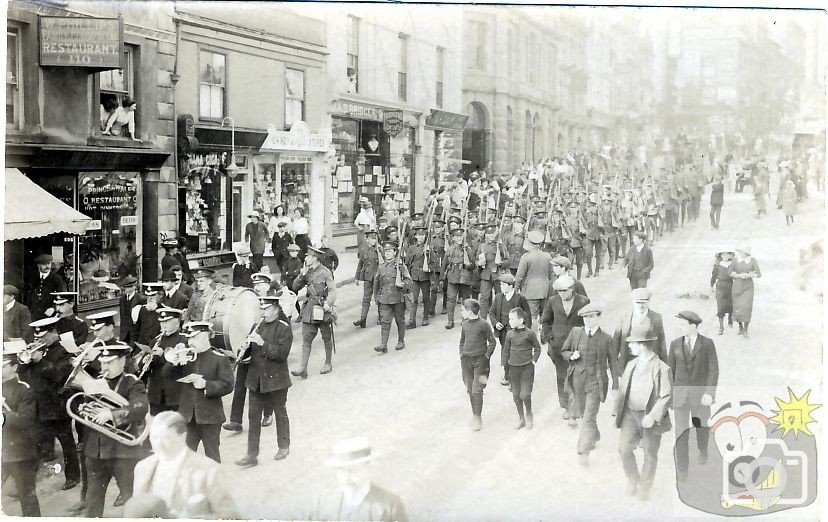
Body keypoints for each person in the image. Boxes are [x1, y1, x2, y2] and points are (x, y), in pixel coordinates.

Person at [80, 341, 149, 517]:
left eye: (109, 362)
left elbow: (140, 407)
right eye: (102, 362)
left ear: (122, 361)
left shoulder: (132, 382)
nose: (104, 367)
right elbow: (89, 409)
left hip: (123, 451)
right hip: (96, 451)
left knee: (130, 498)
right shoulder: (96, 383)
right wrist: (85, 410)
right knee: (93, 501)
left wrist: (112, 414)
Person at [128, 411, 238, 518]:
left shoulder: (209, 470)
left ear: (182, 436)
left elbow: (229, 515)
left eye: (166, 438)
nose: (159, 444)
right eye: (154, 437)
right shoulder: (142, 468)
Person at [18, 316, 81, 489]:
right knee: (33, 445)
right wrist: (24, 360)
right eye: (37, 337)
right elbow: (22, 374)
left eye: (43, 337)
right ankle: (26, 482)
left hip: (57, 406)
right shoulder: (36, 352)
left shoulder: (63, 352)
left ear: (54, 333)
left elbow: (60, 376)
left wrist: (40, 360)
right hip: (38, 406)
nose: (39, 340)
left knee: (67, 444)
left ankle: (73, 476)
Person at [614, 327, 672, 501]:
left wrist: (653, 416)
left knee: (649, 452)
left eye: (632, 343)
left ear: (643, 345)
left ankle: (645, 486)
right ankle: (633, 480)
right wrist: (617, 411)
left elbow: (666, 395)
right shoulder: (632, 364)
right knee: (624, 449)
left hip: (649, 418)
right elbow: (624, 390)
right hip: (630, 415)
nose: (630, 346)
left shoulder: (662, 368)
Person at [236, 294, 292, 467]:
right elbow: (250, 352)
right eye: (262, 309)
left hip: (276, 380)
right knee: (253, 418)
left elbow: (282, 354)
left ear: (275, 309)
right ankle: (251, 455)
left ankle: (283, 445)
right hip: (256, 380)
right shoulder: (256, 326)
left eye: (266, 309)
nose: (263, 313)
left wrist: (262, 343)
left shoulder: (283, 327)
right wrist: (243, 349)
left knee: (280, 413)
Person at [561, 303, 618, 466]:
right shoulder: (575, 332)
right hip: (577, 381)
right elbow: (564, 351)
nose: (588, 320)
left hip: (596, 382)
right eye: (585, 317)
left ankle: (583, 451)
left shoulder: (606, 338)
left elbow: (613, 363)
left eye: (591, 317)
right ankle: (595, 435)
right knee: (584, 415)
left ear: (598, 318)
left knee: (588, 416)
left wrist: (615, 385)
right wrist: (572, 355)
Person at [668, 311, 719, 482]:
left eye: (682, 324)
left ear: (693, 325)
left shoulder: (707, 344)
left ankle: (703, 449)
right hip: (680, 398)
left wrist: (709, 393)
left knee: (701, 428)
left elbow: (713, 370)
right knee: (680, 433)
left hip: (701, 398)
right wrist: (670, 396)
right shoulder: (674, 344)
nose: (679, 327)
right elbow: (671, 373)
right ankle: (682, 469)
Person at [308, 437, 408, 521]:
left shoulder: (390, 504)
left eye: (352, 470)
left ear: (368, 467)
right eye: (341, 470)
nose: (346, 477)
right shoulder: (324, 503)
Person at [175, 321, 234, 463]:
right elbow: (167, 375)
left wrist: (206, 385)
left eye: (193, 338)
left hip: (210, 417)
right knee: (186, 458)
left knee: (212, 456)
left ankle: (215, 485)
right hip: (188, 416)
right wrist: (174, 362)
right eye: (189, 338)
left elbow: (228, 385)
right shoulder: (186, 357)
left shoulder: (219, 358)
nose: (190, 342)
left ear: (204, 336)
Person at [225, 273, 275, 433]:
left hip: (264, 349)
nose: (257, 288)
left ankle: (268, 413)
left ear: (268, 286)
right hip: (248, 347)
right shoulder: (249, 302)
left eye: (261, 285)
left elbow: (279, 328)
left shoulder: (274, 304)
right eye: (256, 285)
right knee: (240, 384)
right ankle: (235, 420)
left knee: (263, 384)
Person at [540, 275, 590, 415]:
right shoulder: (552, 301)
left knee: (579, 376)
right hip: (559, 347)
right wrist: (550, 338)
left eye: (564, 291)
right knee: (562, 377)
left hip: (578, 347)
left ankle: (579, 406)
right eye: (559, 291)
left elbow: (588, 323)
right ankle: (567, 407)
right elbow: (545, 321)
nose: (561, 294)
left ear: (572, 289)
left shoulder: (583, 301)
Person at [2, 345, 42, 516]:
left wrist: (4, 418)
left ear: (14, 367)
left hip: (19, 452)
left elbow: (26, 419)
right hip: (4, 451)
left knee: (27, 497)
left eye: (3, 365)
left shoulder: (24, 389)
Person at [291, 246, 337, 378]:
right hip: (309, 310)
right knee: (306, 340)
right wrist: (302, 275)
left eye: (308, 256)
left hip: (322, 309)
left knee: (326, 337)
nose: (305, 258)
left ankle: (328, 363)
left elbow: (333, 290)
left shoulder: (325, 272)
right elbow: (295, 287)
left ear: (314, 258)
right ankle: (302, 368)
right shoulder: (307, 271)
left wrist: (328, 304)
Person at [458, 299, 496, 431]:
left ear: (469, 311)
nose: (461, 312)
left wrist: (486, 357)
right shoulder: (464, 325)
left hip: (480, 361)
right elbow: (462, 340)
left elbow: (492, 342)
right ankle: (475, 413)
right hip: (466, 360)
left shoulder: (484, 324)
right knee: (469, 388)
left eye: (463, 310)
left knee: (477, 389)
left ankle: (477, 417)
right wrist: (462, 353)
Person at [488, 273, 531, 386]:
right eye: (500, 284)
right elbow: (491, 312)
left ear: (511, 286)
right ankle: (507, 375)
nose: (501, 286)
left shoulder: (520, 298)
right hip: (503, 332)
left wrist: (526, 330)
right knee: (505, 351)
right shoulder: (498, 297)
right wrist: (495, 323)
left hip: (516, 332)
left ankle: (516, 377)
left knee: (516, 352)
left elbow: (527, 314)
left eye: (503, 284)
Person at [502, 307, 541, 430]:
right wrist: (505, 368)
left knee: (525, 394)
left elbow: (538, 348)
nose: (510, 321)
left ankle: (529, 414)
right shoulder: (509, 334)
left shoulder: (529, 333)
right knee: (516, 395)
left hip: (526, 368)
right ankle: (521, 418)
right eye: (509, 319)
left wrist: (534, 360)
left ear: (521, 320)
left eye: (512, 319)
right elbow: (506, 351)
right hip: (513, 369)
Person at [139, 308, 184, 415]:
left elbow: (182, 367)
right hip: (156, 395)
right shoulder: (155, 341)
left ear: (177, 321)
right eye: (161, 322)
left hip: (175, 395)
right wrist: (145, 362)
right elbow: (142, 366)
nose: (163, 325)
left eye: (167, 321)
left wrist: (163, 355)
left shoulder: (183, 341)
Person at [372, 241, 412, 353]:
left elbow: (409, 281)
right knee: (385, 321)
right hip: (384, 298)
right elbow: (376, 283)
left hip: (398, 298)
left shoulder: (400, 266)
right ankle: (383, 344)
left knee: (400, 320)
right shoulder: (381, 267)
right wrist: (376, 298)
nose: (388, 253)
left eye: (390, 251)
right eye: (386, 251)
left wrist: (403, 284)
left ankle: (401, 341)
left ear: (395, 252)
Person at [515, 230, 554, 329]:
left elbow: (520, 275)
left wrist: (516, 288)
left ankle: (533, 337)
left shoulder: (526, 257)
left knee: (532, 316)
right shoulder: (547, 256)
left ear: (529, 242)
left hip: (530, 291)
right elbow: (551, 274)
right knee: (545, 315)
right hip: (545, 289)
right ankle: (544, 337)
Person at [441, 228, 474, 329]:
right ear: (453, 238)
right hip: (453, 277)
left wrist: (468, 264)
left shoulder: (468, 250)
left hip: (465, 278)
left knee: (466, 300)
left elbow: (473, 266)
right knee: (451, 299)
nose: (459, 238)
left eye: (461, 236)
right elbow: (444, 264)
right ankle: (450, 320)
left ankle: (466, 319)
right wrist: (442, 279)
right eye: (457, 237)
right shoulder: (450, 250)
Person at [730, 245, 761, 338]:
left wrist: (749, 275)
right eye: (739, 251)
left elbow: (759, 274)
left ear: (746, 253)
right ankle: (740, 326)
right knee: (737, 307)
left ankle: (746, 329)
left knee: (747, 308)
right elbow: (729, 272)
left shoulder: (753, 261)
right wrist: (738, 275)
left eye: (742, 252)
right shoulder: (735, 260)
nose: (740, 253)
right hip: (737, 286)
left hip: (748, 287)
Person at [25, 253, 67, 320]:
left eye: (49, 263)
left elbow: (60, 296)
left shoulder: (56, 279)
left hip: (50, 313)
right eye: (44, 264)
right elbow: (29, 295)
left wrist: (53, 308)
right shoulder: (33, 278)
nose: (47, 266)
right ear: (38, 265)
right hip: (34, 314)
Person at [404, 227, 431, 328]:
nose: (421, 237)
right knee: (413, 299)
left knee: (426, 298)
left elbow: (433, 263)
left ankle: (425, 317)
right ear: (415, 236)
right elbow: (407, 263)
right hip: (414, 277)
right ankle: (412, 321)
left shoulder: (428, 247)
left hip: (425, 277)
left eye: (423, 235)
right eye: (419, 235)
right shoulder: (411, 248)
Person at [354, 229, 381, 328]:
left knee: (378, 297)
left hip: (377, 278)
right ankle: (363, 319)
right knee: (366, 299)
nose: (373, 241)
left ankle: (381, 317)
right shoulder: (363, 250)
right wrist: (357, 277)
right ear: (367, 239)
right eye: (371, 239)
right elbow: (360, 264)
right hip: (367, 277)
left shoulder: (379, 250)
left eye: (375, 239)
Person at [475, 224, 502, 319]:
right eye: (488, 233)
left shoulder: (500, 246)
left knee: (499, 297)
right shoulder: (482, 247)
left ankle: (499, 318)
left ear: (496, 234)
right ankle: (482, 319)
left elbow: (508, 260)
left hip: (497, 275)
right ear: (485, 235)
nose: (490, 236)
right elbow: (476, 259)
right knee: (484, 298)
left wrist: (500, 263)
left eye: (492, 233)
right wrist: (479, 263)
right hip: (486, 275)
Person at [710, 250, 734, 335]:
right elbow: (713, 276)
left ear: (730, 255)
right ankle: (721, 327)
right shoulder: (717, 265)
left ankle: (730, 319)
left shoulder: (733, 265)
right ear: (720, 256)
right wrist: (711, 286)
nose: (725, 256)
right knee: (720, 306)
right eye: (723, 254)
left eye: (727, 254)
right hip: (720, 286)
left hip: (731, 286)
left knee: (731, 304)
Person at [117, 276, 145, 344]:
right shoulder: (122, 299)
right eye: (127, 287)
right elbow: (122, 317)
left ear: (135, 287)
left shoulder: (141, 299)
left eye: (131, 287)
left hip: (135, 332)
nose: (129, 289)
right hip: (124, 333)